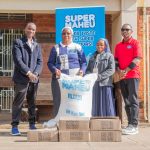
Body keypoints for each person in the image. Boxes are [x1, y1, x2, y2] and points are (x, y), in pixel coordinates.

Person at [11, 22, 43, 135]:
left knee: (32, 102)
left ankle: (32, 124)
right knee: (18, 102)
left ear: (35, 32)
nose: (31, 31)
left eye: (33, 30)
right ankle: (14, 126)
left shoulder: (37, 45)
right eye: (29, 28)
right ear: (25, 29)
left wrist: (35, 73)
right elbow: (18, 60)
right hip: (21, 78)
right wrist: (29, 73)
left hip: (34, 79)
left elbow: (40, 62)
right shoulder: (18, 42)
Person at [47, 27, 87, 117]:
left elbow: (84, 62)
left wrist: (82, 71)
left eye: (68, 33)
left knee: (74, 100)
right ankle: (58, 121)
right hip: (59, 80)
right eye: (64, 33)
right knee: (59, 100)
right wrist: (54, 70)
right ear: (61, 35)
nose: (66, 35)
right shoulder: (56, 48)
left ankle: (75, 120)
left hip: (74, 80)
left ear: (72, 35)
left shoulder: (77, 47)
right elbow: (50, 63)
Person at [114, 23, 142, 135]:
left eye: (127, 29)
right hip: (122, 77)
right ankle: (130, 124)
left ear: (131, 32)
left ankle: (134, 125)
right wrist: (118, 70)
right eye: (123, 29)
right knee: (126, 101)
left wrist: (126, 70)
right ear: (121, 32)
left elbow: (138, 59)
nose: (125, 31)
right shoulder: (118, 46)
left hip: (133, 75)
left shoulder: (136, 43)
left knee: (133, 100)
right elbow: (116, 60)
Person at [86, 38, 116, 117]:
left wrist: (99, 77)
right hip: (94, 84)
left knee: (106, 103)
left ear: (105, 46)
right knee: (95, 102)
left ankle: (108, 122)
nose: (99, 46)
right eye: (98, 45)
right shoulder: (92, 57)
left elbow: (111, 70)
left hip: (105, 84)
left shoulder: (109, 56)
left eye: (101, 45)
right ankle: (95, 121)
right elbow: (88, 69)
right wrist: (90, 76)